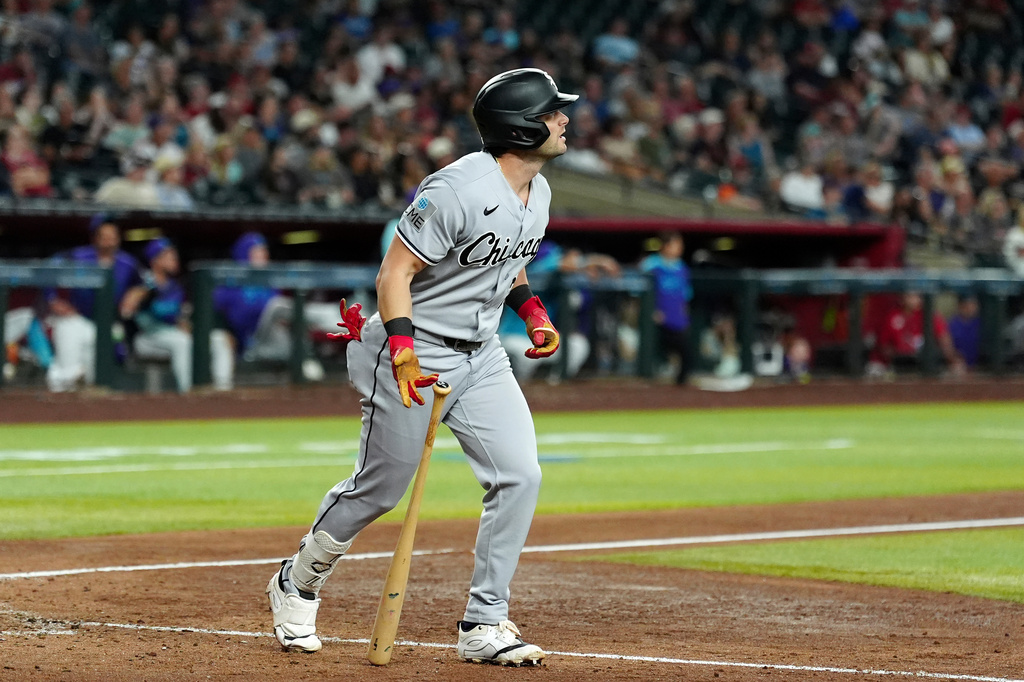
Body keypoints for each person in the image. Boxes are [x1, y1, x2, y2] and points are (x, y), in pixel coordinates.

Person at [266, 68, 577, 666]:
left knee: (521, 476)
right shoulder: (455, 189)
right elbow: (394, 275)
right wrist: (405, 354)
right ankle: (297, 580)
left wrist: (534, 313)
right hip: (413, 349)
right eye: (553, 111)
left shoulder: (537, 192)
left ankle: (484, 623)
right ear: (521, 126)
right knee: (382, 488)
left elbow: (506, 269)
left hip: (482, 355)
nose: (564, 120)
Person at [212, 232, 350, 380]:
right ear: (244, 254)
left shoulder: (268, 283)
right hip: (250, 345)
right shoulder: (229, 283)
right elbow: (224, 316)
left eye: (264, 250)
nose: (263, 255)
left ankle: (307, 356)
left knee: (287, 316)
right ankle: (339, 319)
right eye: (257, 251)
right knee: (277, 306)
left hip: (274, 341)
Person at [121, 238, 234, 392]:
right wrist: (142, 292)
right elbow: (126, 309)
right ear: (155, 260)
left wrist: (189, 328)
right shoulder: (143, 282)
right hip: (145, 339)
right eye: (169, 256)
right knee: (182, 342)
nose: (175, 259)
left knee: (219, 339)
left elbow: (181, 318)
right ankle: (187, 392)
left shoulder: (177, 287)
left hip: (172, 334)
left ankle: (223, 389)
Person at [45, 214, 142, 392]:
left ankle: (83, 401)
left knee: (95, 377)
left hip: (110, 324)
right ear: (94, 238)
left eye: (113, 237)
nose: (109, 242)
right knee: (69, 343)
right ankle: (61, 389)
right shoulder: (78, 257)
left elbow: (145, 283)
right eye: (104, 237)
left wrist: (136, 293)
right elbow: (47, 270)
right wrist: (52, 299)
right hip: (79, 318)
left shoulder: (127, 262)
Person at [498, 241, 617, 383]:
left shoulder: (559, 279)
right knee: (526, 356)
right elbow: (565, 265)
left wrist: (589, 269)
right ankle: (520, 385)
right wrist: (597, 261)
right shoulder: (532, 271)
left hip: (540, 339)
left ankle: (554, 385)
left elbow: (570, 268)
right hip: (513, 337)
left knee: (577, 345)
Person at [641, 232, 693, 385]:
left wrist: (684, 314)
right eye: (676, 244)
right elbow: (640, 293)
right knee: (656, 351)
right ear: (665, 246)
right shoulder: (651, 264)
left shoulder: (681, 267)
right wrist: (651, 310)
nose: (680, 248)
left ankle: (679, 386)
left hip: (676, 317)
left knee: (686, 352)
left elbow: (685, 295)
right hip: (656, 317)